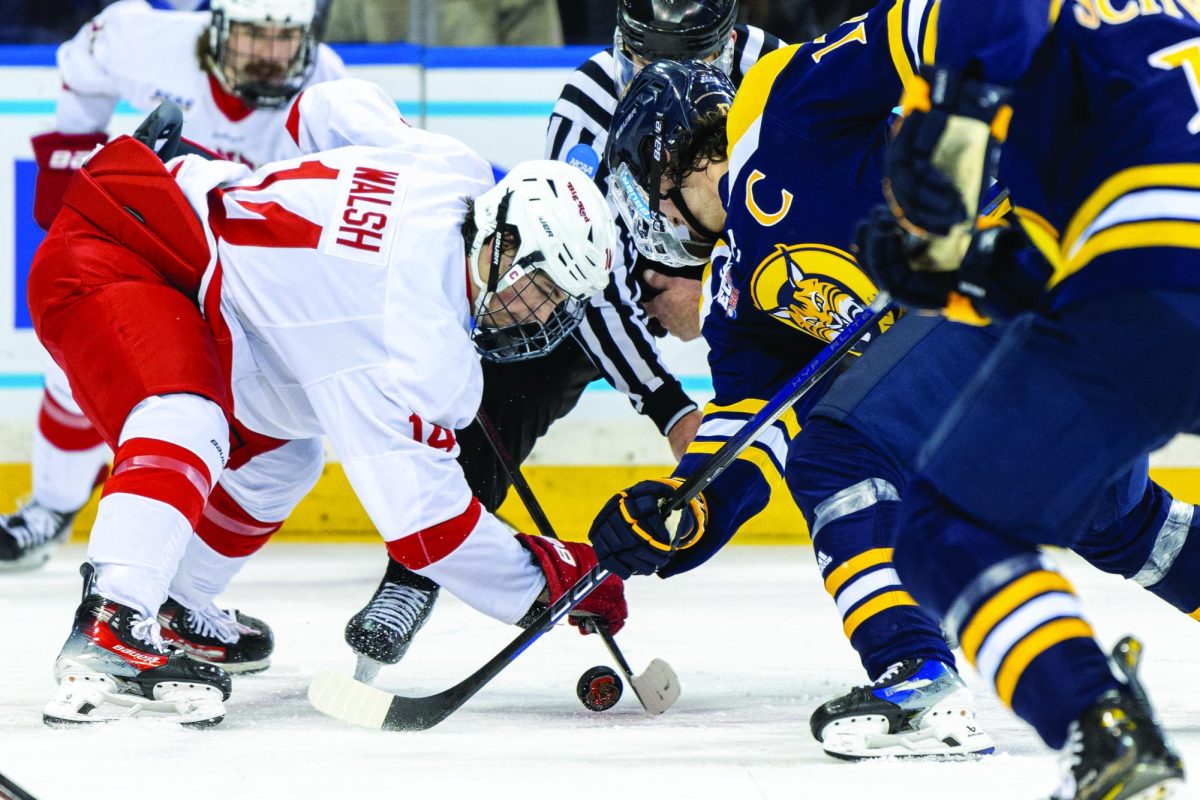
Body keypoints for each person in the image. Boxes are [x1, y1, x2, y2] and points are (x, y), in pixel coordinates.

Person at [586, 24, 1200, 762]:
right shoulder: (732, 293)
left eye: (633, 188)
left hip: (1036, 259)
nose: (645, 216)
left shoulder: (776, 106)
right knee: (1113, 518)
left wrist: (969, 158)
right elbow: (754, 418)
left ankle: (918, 676)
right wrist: (690, 506)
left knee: (840, 450)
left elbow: (914, 30)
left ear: (670, 154)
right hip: (1020, 336)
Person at [33, 76, 626, 726]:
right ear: (506, 249)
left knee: (281, 458)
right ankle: (114, 620)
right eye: (544, 291)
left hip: (191, 254)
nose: (543, 316)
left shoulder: (448, 171)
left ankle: (172, 604)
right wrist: (547, 583)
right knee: (187, 415)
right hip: (120, 242)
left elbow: (320, 110)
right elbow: (428, 530)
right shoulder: (413, 345)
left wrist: (305, 236)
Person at [340, 0, 786, 683]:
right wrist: (668, 404)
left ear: (727, 46)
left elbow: (807, 219)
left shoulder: (776, 75)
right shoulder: (590, 95)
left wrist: (725, 283)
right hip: (626, 273)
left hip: (757, 265)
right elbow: (572, 269)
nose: (658, 78)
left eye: (687, 61)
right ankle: (416, 569)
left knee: (827, 407)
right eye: (642, 59)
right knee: (518, 366)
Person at [852, 0, 1199, 795]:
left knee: (949, 528)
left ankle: (1095, 723)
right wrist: (962, 274)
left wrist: (952, 125)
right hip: (1144, 261)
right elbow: (1043, 275)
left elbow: (993, 23)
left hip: (1153, 275)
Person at [5, 0, 347, 575]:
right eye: (251, 35)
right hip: (155, 247)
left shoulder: (329, 88)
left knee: (245, 420)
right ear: (217, 27)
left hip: (248, 277)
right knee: (71, 368)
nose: (266, 54)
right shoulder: (145, 38)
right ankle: (50, 508)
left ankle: (177, 563)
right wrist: (69, 154)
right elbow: (82, 63)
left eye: (282, 38)